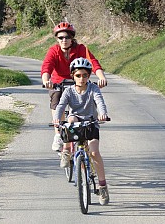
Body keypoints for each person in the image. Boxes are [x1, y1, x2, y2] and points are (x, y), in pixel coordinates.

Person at [41, 22, 107, 152]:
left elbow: (93, 63)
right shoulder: (54, 50)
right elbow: (46, 66)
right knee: (57, 98)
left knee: (87, 101)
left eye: (67, 37)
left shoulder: (81, 49)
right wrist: (46, 80)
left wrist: (101, 77)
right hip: (58, 82)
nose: (64, 40)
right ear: (57, 39)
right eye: (60, 38)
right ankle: (58, 135)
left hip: (77, 80)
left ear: (72, 38)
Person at [54, 57, 110, 205]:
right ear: (73, 76)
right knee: (70, 121)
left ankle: (103, 187)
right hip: (76, 121)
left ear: (89, 76)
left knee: (94, 153)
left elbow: (99, 101)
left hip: (91, 123)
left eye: (85, 75)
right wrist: (56, 118)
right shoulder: (68, 91)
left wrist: (102, 114)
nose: (82, 78)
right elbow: (60, 106)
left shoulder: (93, 88)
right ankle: (66, 150)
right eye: (78, 75)